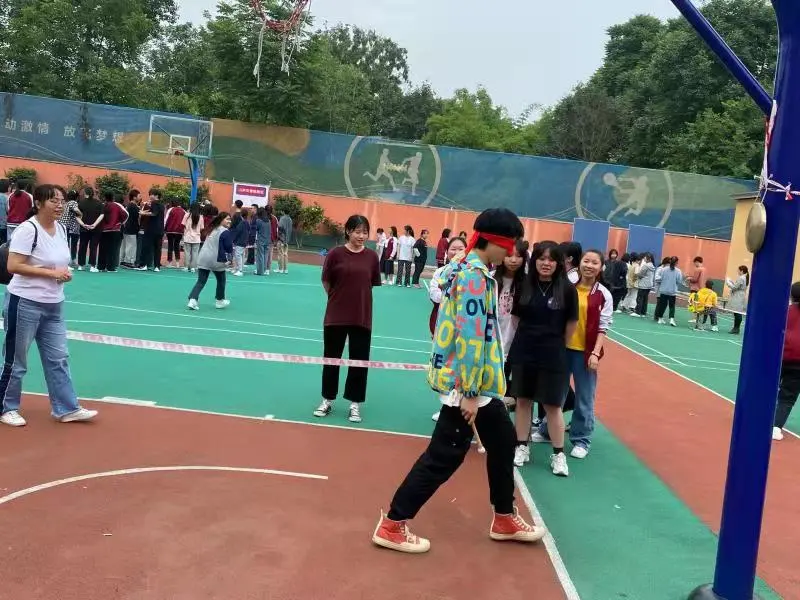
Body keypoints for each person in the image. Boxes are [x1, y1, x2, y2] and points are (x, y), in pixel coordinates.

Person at [371, 208, 546, 554]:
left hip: (478, 386)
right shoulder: (474, 279)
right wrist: (469, 392)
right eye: (509, 245)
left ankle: (504, 516)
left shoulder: (465, 268)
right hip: (467, 385)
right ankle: (393, 523)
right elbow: (470, 337)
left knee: (503, 442)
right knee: (444, 456)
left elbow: (448, 281)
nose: (511, 253)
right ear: (495, 242)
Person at [0, 184, 98, 427]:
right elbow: (13, 266)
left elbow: (59, 261)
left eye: (61, 200)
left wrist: (62, 273)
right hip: (24, 302)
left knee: (58, 358)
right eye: (54, 200)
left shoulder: (61, 229)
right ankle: (6, 407)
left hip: (54, 304)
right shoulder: (28, 229)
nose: (59, 205)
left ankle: (66, 408)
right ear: (39, 203)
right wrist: (51, 273)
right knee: (16, 360)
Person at [532, 249, 613, 458]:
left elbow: (603, 328)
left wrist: (595, 353)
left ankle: (581, 439)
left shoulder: (603, 294)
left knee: (584, 397)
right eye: (586, 261)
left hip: (585, 354)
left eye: (594, 263)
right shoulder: (567, 287)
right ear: (579, 263)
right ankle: (546, 430)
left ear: (600, 267)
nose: (589, 266)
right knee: (554, 394)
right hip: (561, 349)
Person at [508, 241, 577, 476]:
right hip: (524, 351)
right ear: (534, 260)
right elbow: (516, 319)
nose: (546, 263)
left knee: (552, 405)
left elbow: (571, 324)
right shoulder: (524, 285)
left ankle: (559, 455)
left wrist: (556, 345)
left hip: (553, 354)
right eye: (541, 258)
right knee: (523, 401)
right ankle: (522, 446)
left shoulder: (567, 289)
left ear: (558, 263)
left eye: (551, 259)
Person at [314, 215, 382, 424]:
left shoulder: (372, 257)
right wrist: (338, 299)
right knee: (331, 359)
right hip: (336, 316)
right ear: (348, 231)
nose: (361, 236)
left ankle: (355, 404)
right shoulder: (335, 254)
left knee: (359, 362)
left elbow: (370, 284)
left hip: (361, 316)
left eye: (365, 232)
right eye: (357, 231)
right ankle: (327, 400)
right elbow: (326, 281)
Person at [187, 212, 232, 310]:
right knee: (221, 280)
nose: (229, 221)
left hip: (203, 257)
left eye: (230, 219)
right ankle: (220, 300)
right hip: (216, 259)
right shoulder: (225, 232)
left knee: (201, 281)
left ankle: (193, 300)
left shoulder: (212, 229)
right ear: (221, 220)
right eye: (227, 219)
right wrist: (229, 259)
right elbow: (228, 247)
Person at [773, 281, 800, 441]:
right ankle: (776, 427)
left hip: (778, 356)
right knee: (788, 396)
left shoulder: (784, 311)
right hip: (797, 363)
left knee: (768, 387)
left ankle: (756, 417)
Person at [137, 188, 165, 272]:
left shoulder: (154, 203)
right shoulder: (162, 205)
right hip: (160, 230)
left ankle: (144, 265)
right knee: (158, 249)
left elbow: (153, 213)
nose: (150, 196)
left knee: (146, 247)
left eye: (151, 194)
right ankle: (157, 266)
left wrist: (143, 213)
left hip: (151, 229)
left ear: (156, 195)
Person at [653, 257, 682, 326]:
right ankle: (671, 319)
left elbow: (660, 278)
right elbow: (679, 281)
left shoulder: (663, 269)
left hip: (663, 290)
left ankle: (660, 318)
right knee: (672, 306)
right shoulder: (678, 271)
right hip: (672, 291)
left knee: (662, 305)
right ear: (676, 263)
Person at [726, 265, 749, 335]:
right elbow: (738, 286)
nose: (737, 271)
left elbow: (735, 287)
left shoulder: (741, 278)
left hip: (738, 296)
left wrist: (728, 282)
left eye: (738, 270)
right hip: (740, 295)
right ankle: (736, 328)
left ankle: (736, 328)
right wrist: (732, 282)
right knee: (737, 312)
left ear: (741, 271)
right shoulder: (744, 277)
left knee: (737, 313)